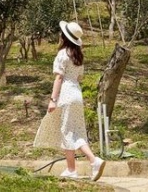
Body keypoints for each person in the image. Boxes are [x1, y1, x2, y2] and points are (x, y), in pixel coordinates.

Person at [33, 20, 106, 181]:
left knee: (67, 131)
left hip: (65, 94)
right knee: (76, 131)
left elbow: (59, 78)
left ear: (64, 37)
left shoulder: (62, 54)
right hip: (76, 94)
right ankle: (77, 166)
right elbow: (79, 77)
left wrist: (53, 99)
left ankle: (86, 163)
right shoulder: (78, 56)